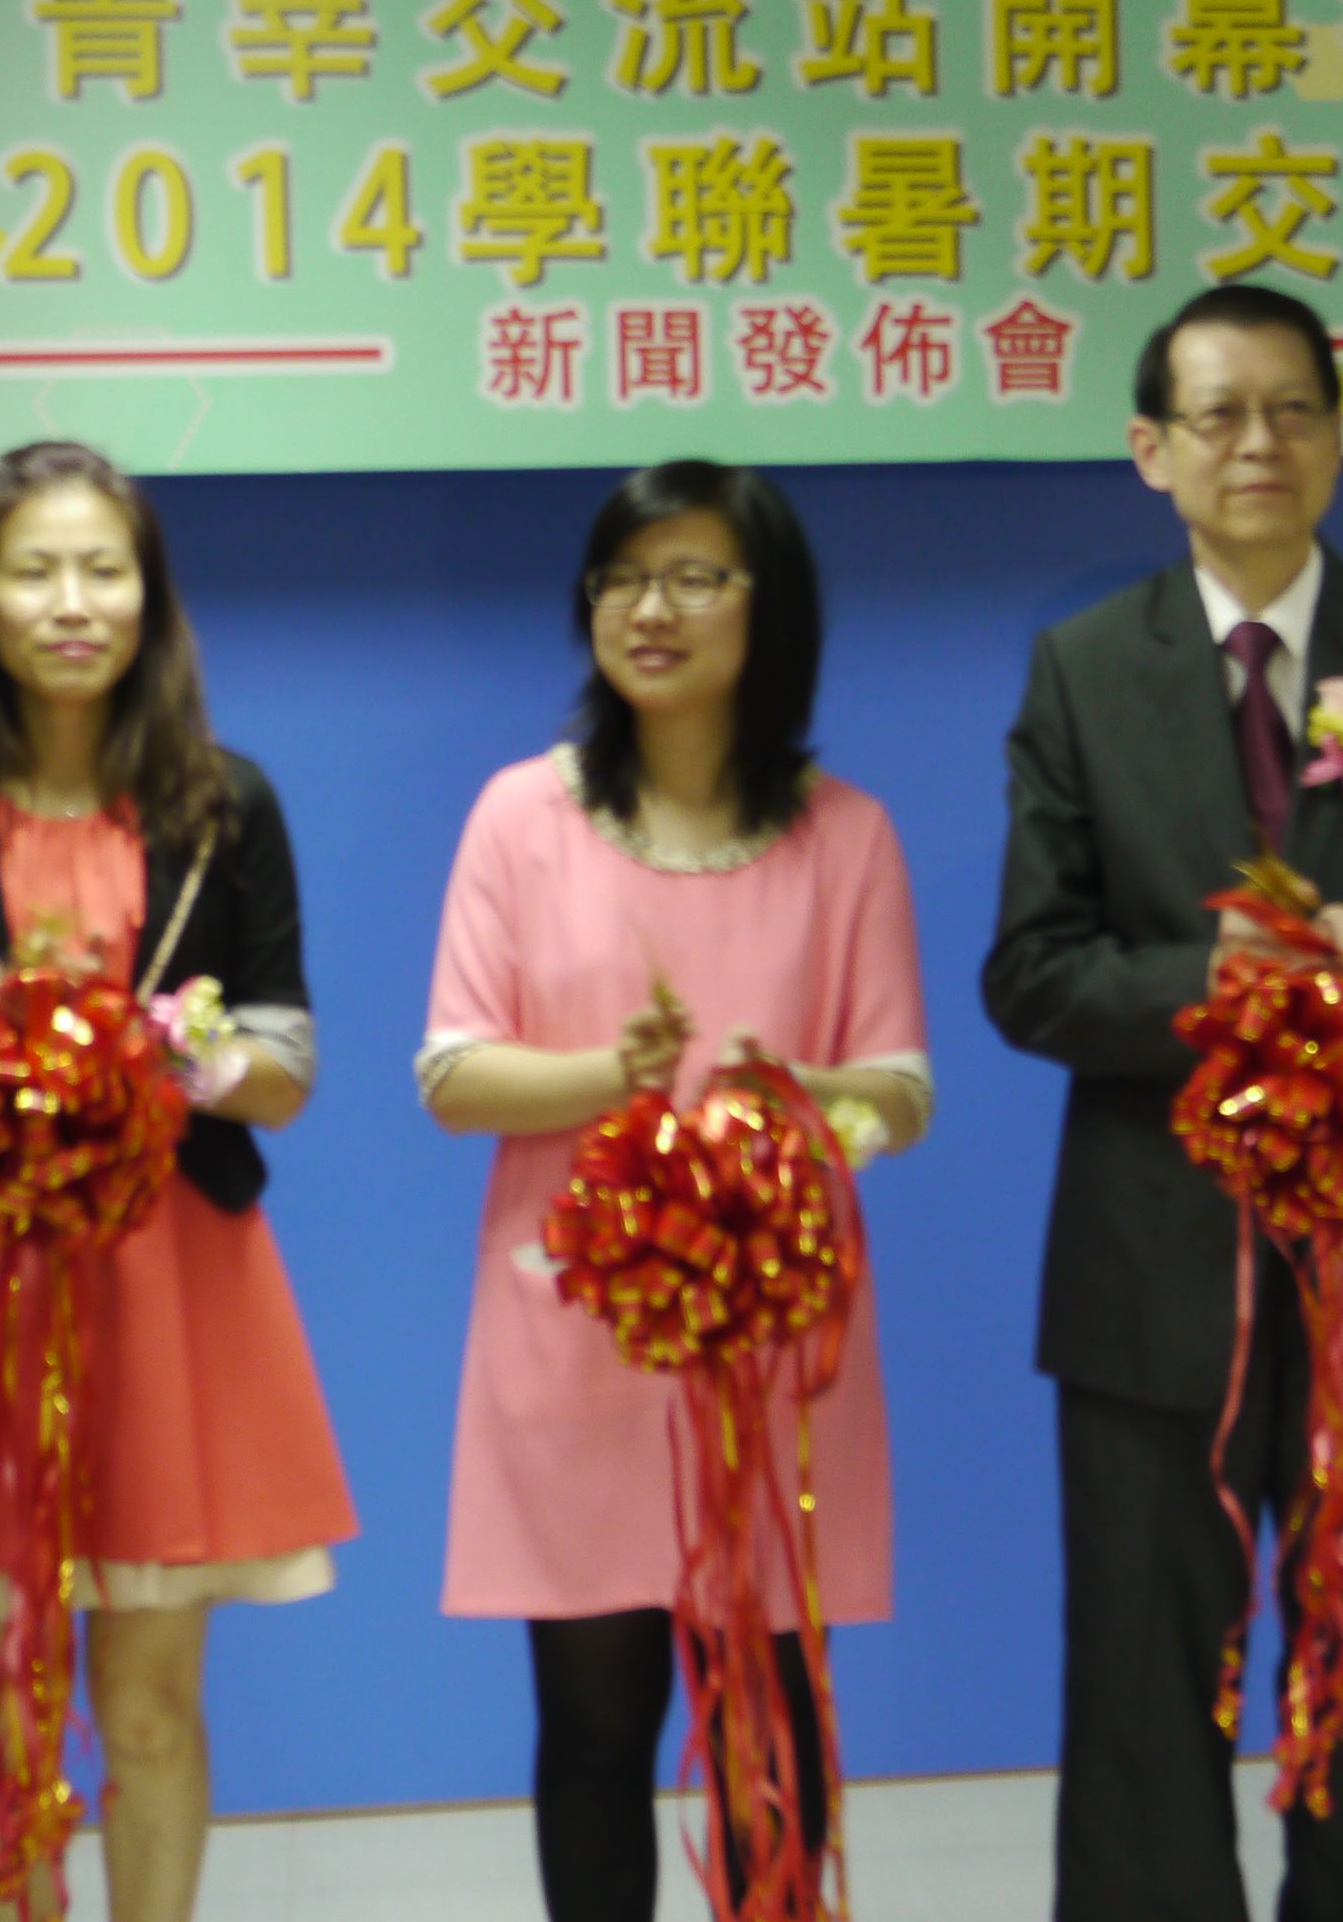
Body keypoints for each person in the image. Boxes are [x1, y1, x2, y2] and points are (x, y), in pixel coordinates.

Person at [986, 282, 1343, 1921]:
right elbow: (1032, 975)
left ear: (1339, 438)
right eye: (1219, 414)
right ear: (1150, 450)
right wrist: (1206, 982)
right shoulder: (1085, 668)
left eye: (1295, 410)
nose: (1260, 444)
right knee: (1140, 1663)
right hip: (1154, 1258)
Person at [0, 442, 356, 1922]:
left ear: (148, 599)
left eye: (104, 569)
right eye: (32, 569)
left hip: (173, 1281)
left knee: (152, 1708)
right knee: (5, 1701)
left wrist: (158, 1056)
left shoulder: (228, 804)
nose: (71, 603)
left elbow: (286, 1070)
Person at [419, 459, 931, 1922]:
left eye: (695, 577)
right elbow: (453, 1074)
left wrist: (803, 1094)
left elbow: (900, 1092)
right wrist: (610, 1076)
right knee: (593, 1728)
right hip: (573, 1333)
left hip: (776, 1346)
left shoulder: (847, 834)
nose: (652, 611)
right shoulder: (520, 815)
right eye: (624, 580)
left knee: (774, 1719)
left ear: (772, 611)